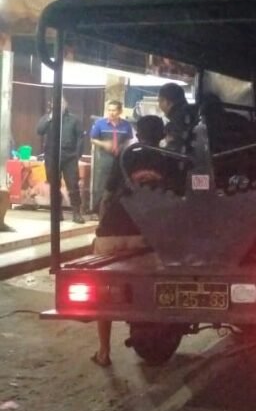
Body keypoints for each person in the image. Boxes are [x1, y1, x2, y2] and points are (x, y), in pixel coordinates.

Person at [91, 115, 169, 367]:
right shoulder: (170, 159)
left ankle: (103, 351)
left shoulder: (126, 155)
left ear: (137, 132)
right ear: (163, 134)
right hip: (142, 235)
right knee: (145, 286)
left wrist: (102, 225)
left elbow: (107, 194)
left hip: (110, 232)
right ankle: (147, 330)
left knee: (105, 291)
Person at [36, 97, 85, 223]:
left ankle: (76, 213)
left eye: (62, 103)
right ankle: (57, 212)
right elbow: (39, 131)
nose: (60, 105)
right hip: (52, 156)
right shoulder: (48, 118)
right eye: (57, 103)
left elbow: (80, 138)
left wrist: (77, 155)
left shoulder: (74, 119)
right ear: (52, 105)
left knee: (73, 185)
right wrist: (50, 117)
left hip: (69, 157)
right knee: (54, 186)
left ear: (66, 104)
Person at [90, 100, 134, 214]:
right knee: (102, 184)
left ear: (120, 111)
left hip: (120, 159)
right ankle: (97, 210)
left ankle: (114, 211)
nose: (111, 113)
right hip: (105, 158)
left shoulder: (126, 125)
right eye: (109, 110)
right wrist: (104, 144)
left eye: (114, 110)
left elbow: (129, 140)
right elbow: (93, 139)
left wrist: (123, 147)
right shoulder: (100, 124)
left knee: (118, 183)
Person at [157, 83, 194, 152]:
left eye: (159, 101)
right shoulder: (191, 111)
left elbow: (172, 148)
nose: (159, 106)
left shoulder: (176, 122)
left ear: (166, 102)